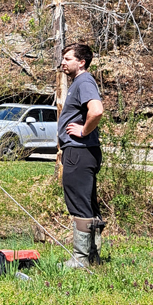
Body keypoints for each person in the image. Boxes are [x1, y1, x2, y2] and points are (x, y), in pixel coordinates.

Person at [57, 43, 105, 267]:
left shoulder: (84, 81)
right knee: (87, 203)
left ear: (81, 62)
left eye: (68, 59)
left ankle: (81, 258)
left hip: (79, 151)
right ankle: (92, 256)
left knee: (79, 204)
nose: (63, 63)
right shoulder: (81, 82)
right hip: (83, 151)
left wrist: (84, 131)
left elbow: (96, 110)